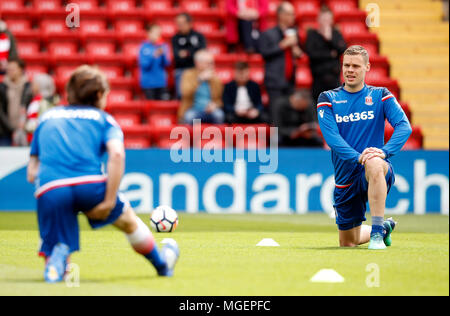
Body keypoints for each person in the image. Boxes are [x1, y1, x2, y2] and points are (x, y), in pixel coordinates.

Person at [27, 65, 179, 283]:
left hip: (52, 187)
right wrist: (108, 200)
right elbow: (116, 155)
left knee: (58, 238)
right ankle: (162, 264)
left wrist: (48, 188)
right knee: (129, 222)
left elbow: (32, 171)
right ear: (99, 95)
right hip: (90, 185)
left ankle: (57, 263)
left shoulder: (47, 117)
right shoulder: (103, 119)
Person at [317, 45, 412, 250]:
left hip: (374, 169)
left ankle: (377, 234)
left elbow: (404, 126)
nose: (350, 70)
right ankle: (384, 228)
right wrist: (358, 157)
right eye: (346, 65)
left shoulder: (380, 95)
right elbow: (332, 139)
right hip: (345, 179)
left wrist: (384, 151)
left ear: (367, 67)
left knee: (375, 162)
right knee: (348, 242)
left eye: (356, 66)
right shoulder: (328, 98)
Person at [258, 2, 302, 123]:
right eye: (290, 14)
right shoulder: (268, 33)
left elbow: (299, 55)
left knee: (289, 116)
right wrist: (282, 45)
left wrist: (297, 51)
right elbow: (264, 53)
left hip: (290, 80)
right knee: (275, 116)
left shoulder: (293, 33)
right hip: (275, 81)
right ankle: (274, 141)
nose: (293, 17)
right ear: (281, 15)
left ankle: (287, 141)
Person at [305, 6, 347, 103]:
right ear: (318, 19)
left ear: (332, 20)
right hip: (318, 78)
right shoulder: (312, 34)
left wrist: (329, 39)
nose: (325, 22)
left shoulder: (336, 34)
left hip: (334, 77)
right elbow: (311, 53)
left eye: (328, 19)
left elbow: (342, 50)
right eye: (323, 19)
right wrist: (330, 54)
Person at [178, 50, 224, 124]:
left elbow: (219, 99)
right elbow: (185, 93)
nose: (212, 66)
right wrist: (199, 79)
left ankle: (216, 135)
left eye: (212, 63)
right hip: (193, 109)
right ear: (198, 63)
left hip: (210, 111)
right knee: (189, 117)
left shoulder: (215, 78)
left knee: (219, 115)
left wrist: (215, 105)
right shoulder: (188, 75)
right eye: (208, 63)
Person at [171, 13, 207, 99]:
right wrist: (193, 53)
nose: (180, 26)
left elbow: (202, 53)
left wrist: (186, 53)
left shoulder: (199, 36)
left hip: (197, 69)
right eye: (178, 24)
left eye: (182, 23)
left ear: (189, 23)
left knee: (200, 93)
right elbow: (177, 56)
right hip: (181, 69)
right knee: (182, 94)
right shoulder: (175, 38)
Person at [0, 58, 33, 146]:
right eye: (8, 69)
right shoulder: (2, 87)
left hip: (24, 130)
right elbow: (1, 112)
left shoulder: (28, 87)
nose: (10, 71)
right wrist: (11, 129)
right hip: (5, 131)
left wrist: (24, 126)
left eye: (13, 69)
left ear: (20, 70)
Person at [139, 24, 171, 100]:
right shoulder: (144, 47)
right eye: (155, 33)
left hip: (161, 82)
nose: (157, 35)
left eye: (159, 33)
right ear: (148, 33)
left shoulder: (163, 46)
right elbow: (144, 65)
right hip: (148, 84)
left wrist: (163, 55)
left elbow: (167, 63)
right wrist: (153, 56)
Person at [25, 73, 59, 143]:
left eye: (34, 84)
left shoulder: (36, 103)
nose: (31, 86)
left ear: (39, 86)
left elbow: (31, 125)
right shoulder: (56, 100)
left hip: (35, 140)